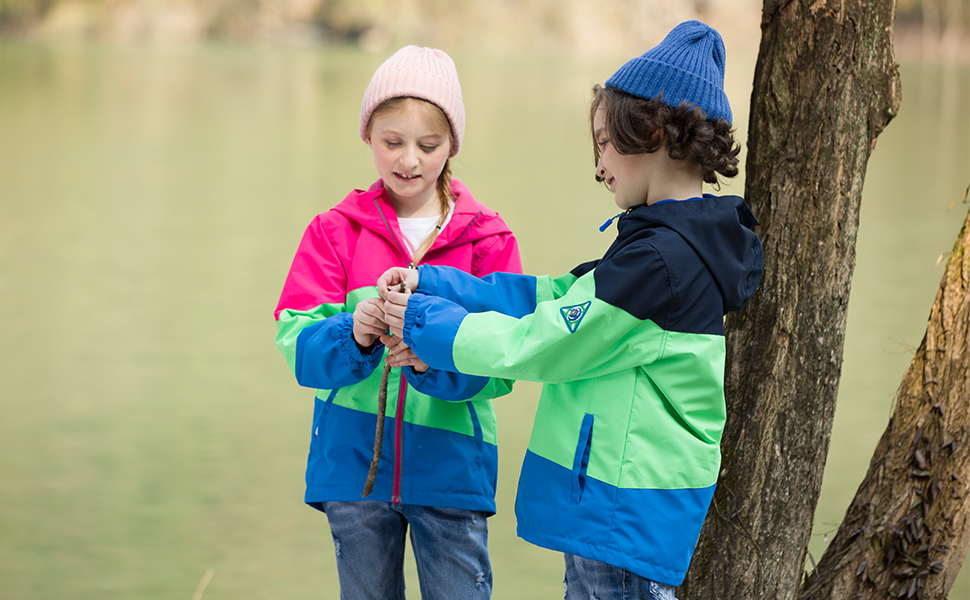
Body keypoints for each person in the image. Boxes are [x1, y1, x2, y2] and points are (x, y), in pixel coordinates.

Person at [378, 21, 763, 600]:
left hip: (621, 518)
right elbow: (553, 296)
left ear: (653, 132)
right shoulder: (658, 249)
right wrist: (433, 283)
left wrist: (420, 322)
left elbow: (543, 341)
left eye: (605, 143)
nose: (600, 164)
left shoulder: (660, 264)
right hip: (613, 515)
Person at [273, 45, 522, 600]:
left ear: (452, 144)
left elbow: (507, 358)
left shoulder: (488, 240)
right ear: (368, 137)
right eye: (392, 142)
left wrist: (437, 359)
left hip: (452, 470)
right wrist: (355, 333)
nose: (408, 160)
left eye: (427, 145)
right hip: (353, 468)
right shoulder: (334, 232)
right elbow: (297, 344)